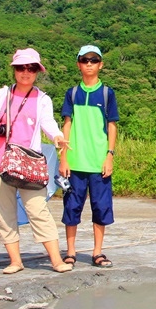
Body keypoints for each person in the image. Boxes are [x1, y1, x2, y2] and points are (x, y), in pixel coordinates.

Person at [0, 48, 72, 274]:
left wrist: (58, 137)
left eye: (31, 68)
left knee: (37, 208)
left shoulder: (42, 99)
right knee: (4, 211)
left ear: (37, 72)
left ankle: (56, 260)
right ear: (14, 70)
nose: (25, 72)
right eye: (21, 68)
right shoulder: (0, 95)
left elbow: (48, 122)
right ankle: (15, 261)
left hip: (28, 162)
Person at [59, 45, 119, 268]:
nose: (89, 64)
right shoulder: (72, 93)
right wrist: (64, 157)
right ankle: (71, 252)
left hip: (98, 161)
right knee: (71, 207)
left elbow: (112, 126)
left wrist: (109, 155)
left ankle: (97, 252)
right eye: (85, 60)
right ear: (79, 64)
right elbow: (67, 124)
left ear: (101, 64)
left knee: (100, 207)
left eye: (94, 60)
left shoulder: (107, 93)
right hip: (75, 162)